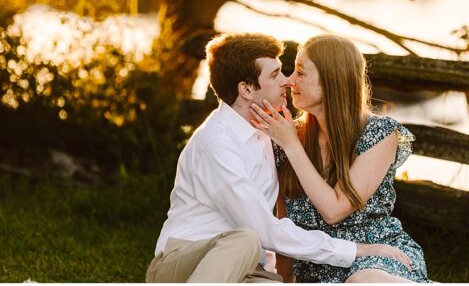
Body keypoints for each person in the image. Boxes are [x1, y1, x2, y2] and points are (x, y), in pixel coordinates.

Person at [146, 33, 408, 283]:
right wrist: (354, 250)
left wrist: (282, 277)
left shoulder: (270, 134)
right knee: (246, 238)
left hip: (246, 267)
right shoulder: (218, 144)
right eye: (275, 74)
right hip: (185, 262)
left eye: (290, 72)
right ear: (246, 89)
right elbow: (264, 229)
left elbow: (282, 222)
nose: (286, 81)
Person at [251, 34, 429, 282]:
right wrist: (283, 280)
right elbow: (284, 224)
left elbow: (334, 211)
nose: (289, 81)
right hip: (316, 268)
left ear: (331, 79)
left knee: (363, 281)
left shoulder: (379, 133)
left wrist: (291, 146)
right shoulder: (289, 138)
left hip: (376, 256)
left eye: (300, 73)